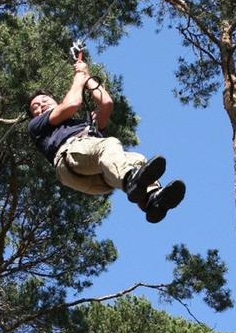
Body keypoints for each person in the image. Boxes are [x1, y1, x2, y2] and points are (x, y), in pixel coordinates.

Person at [28, 58, 186, 222]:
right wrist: (79, 77)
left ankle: (153, 200)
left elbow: (106, 103)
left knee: (137, 159)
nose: (40, 106)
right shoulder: (37, 125)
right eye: (35, 107)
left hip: (100, 178)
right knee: (110, 144)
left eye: (44, 100)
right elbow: (72, 103)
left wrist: (87, 76)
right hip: (69, 158)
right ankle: (130, 180)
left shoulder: (85, 126)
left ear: (54, 100)